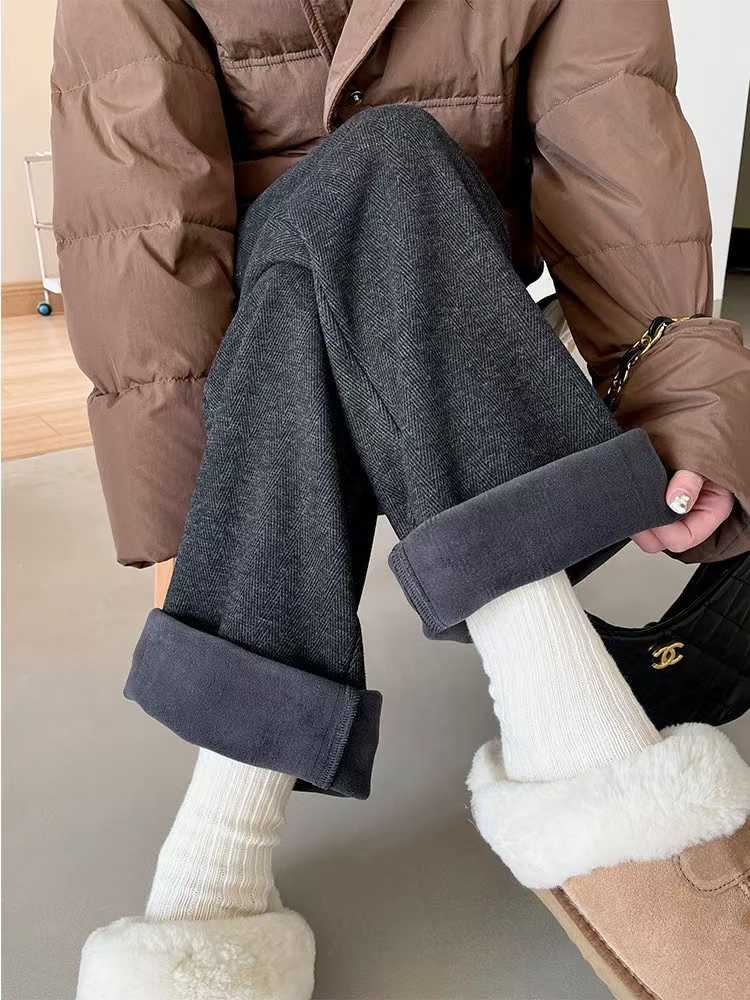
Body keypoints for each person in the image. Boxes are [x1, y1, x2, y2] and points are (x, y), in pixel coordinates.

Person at [51, 3, 750, 999]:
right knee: (339, 218)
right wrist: (179, 521)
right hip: (258, 335)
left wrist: (677, 396)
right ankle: (580, 744)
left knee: (392, 164)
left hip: (454, 296)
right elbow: (141, 208)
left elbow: (613, 131)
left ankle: (216, 865)